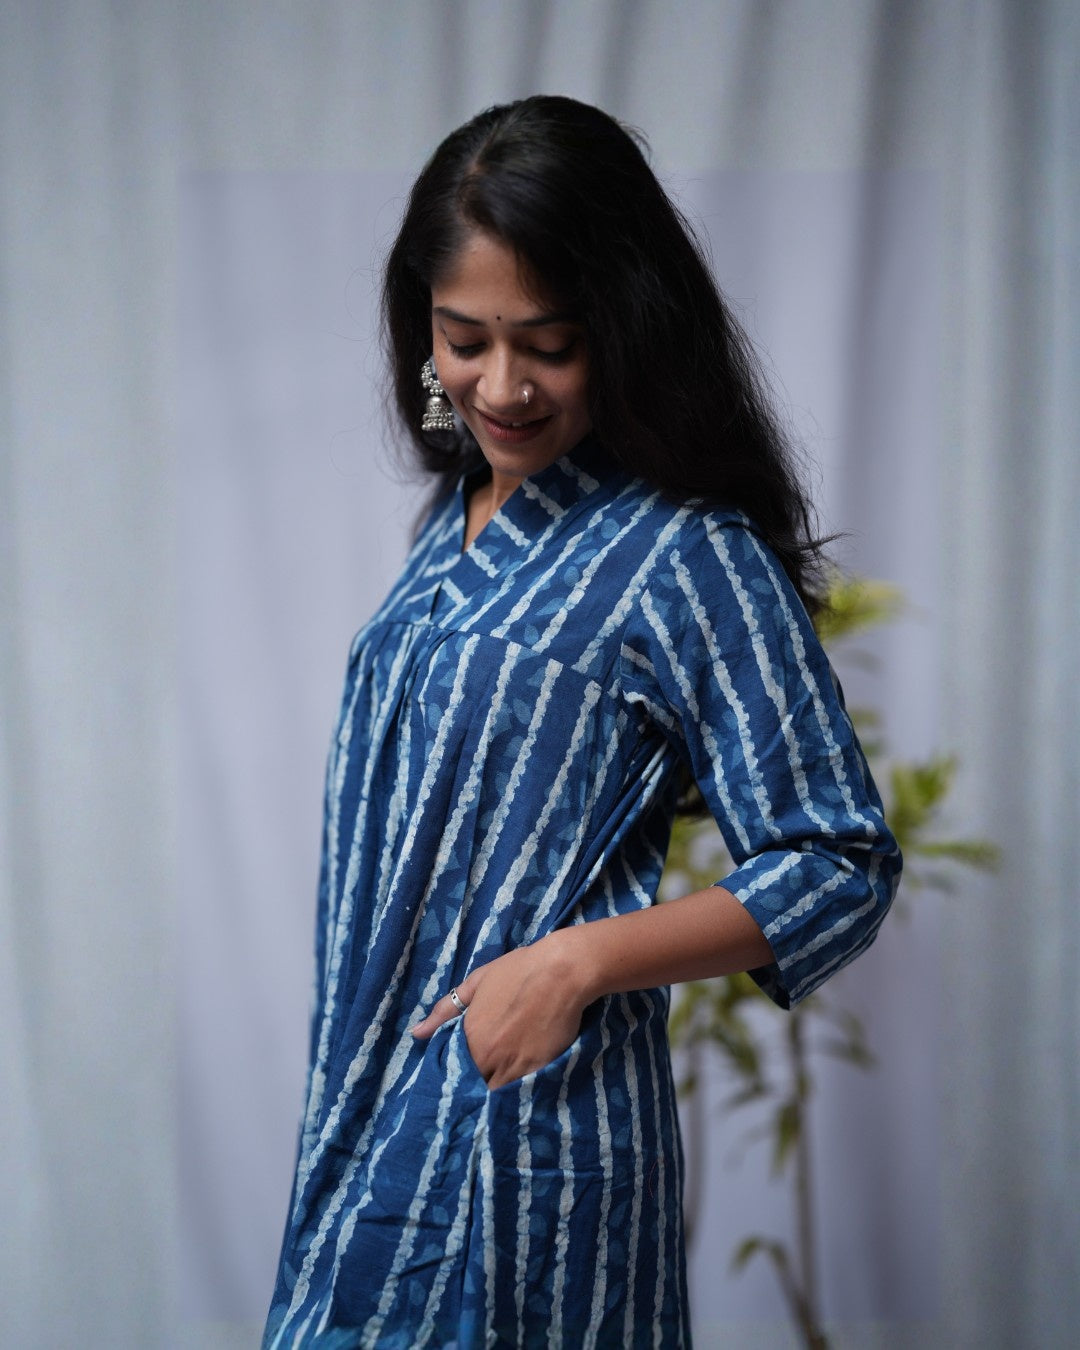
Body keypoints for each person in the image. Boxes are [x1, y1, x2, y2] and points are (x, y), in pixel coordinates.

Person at [263, 95, 901, 1349]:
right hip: (364, 1103)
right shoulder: (448, 525)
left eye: (548, 345)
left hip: (535, 1146)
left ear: (621, 330)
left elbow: (840, 858)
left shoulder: (688, 555)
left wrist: (574, 964)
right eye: (464, 339)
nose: (500, 387)